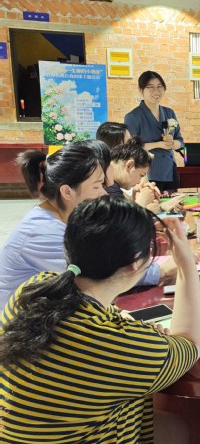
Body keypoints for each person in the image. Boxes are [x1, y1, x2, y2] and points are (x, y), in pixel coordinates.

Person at [0, 196, 200, 444]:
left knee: (174, 429)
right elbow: (189, 343)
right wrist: (186, 265)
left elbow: (98, 331)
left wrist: (134, 336)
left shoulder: (36, 290)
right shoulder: (114, 343)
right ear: (135, 263)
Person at [0, 142, 167, 309]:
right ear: (67, 191)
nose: (104, 193)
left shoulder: (64, 218)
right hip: (24, 323)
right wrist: (163, 270)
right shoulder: (43, 232)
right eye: (97, 186)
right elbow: (101, 274)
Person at [124, 71, 184, 193]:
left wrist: (172, 144)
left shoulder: (169, 113)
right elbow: (131, 148)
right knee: (152, 203)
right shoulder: (133, 116)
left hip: (169, 170)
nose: (156, 91)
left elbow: (181, 142)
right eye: (150, 87)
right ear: (141, 90)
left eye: (159, 86)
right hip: (147, 173)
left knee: (173, 203)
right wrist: (159, 144)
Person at [106, 137, 162, 212]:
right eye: (141, 175)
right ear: (129, 165)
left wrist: (133, 197)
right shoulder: (106, 185)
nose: (139, 182)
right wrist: (142, 204)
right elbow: (122, 219)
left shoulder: (111, 183)